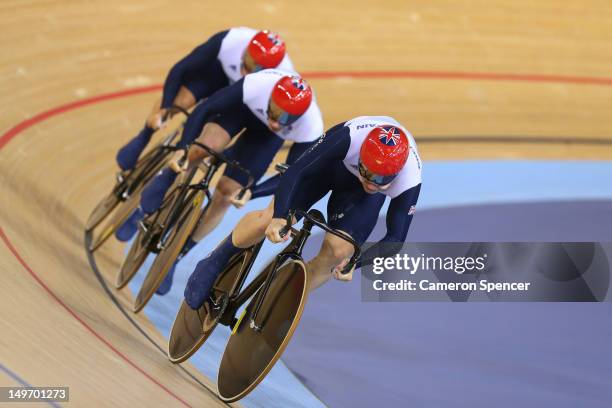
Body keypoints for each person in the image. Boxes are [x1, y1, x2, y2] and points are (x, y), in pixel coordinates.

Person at [118, 69, 324, 295]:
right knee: (201, 150)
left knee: (226, 194)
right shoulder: (257, 85)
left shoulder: (311, 126)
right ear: (270, 98)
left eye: (285, 119)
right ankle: (152, 198)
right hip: (239, 112)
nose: (276, 121)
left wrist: (252, 192)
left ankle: (175, 256)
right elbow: (207, 108)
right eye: (274, 112)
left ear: (299, 118)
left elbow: (292, 175)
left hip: (263, 140)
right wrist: (184, 149)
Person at [183, 116, 422, 310]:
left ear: (397, 174)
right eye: (366, 172)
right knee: (269, 219)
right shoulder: (349, 137)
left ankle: (281, 302)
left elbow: (395, 240)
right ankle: (216, 260)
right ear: (361, 156)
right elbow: (297, 171)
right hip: (331, 169)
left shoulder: (410, 177)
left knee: (339, 253)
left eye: (380, 180)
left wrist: (355, 263)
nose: (370, 183)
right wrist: (279, 217)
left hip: (358, 199)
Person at [115, 27, 293, 172]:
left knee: (205, 143)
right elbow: (181, 69)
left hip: (242, 97)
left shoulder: (279, 83)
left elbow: (254, 125)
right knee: (180, 101)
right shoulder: (231, 40)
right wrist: (165, 107)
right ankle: (145, 134)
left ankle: (168, 179)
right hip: (218, 74)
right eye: (248, 59)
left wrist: (225, 151)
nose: (247, 67)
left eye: (256, 67)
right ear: (245, 49)